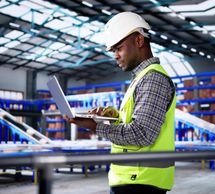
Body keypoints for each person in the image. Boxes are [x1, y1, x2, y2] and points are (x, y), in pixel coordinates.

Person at [66, 12, 176, 194]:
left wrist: (96, 127)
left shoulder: (153, 79)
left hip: (141, 182)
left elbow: (142, 134)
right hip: (133, 179)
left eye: (119, 48)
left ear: (139, 41)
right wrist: (112, 117)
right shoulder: (141, 78)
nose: (115, 56)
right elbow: (135, 123)